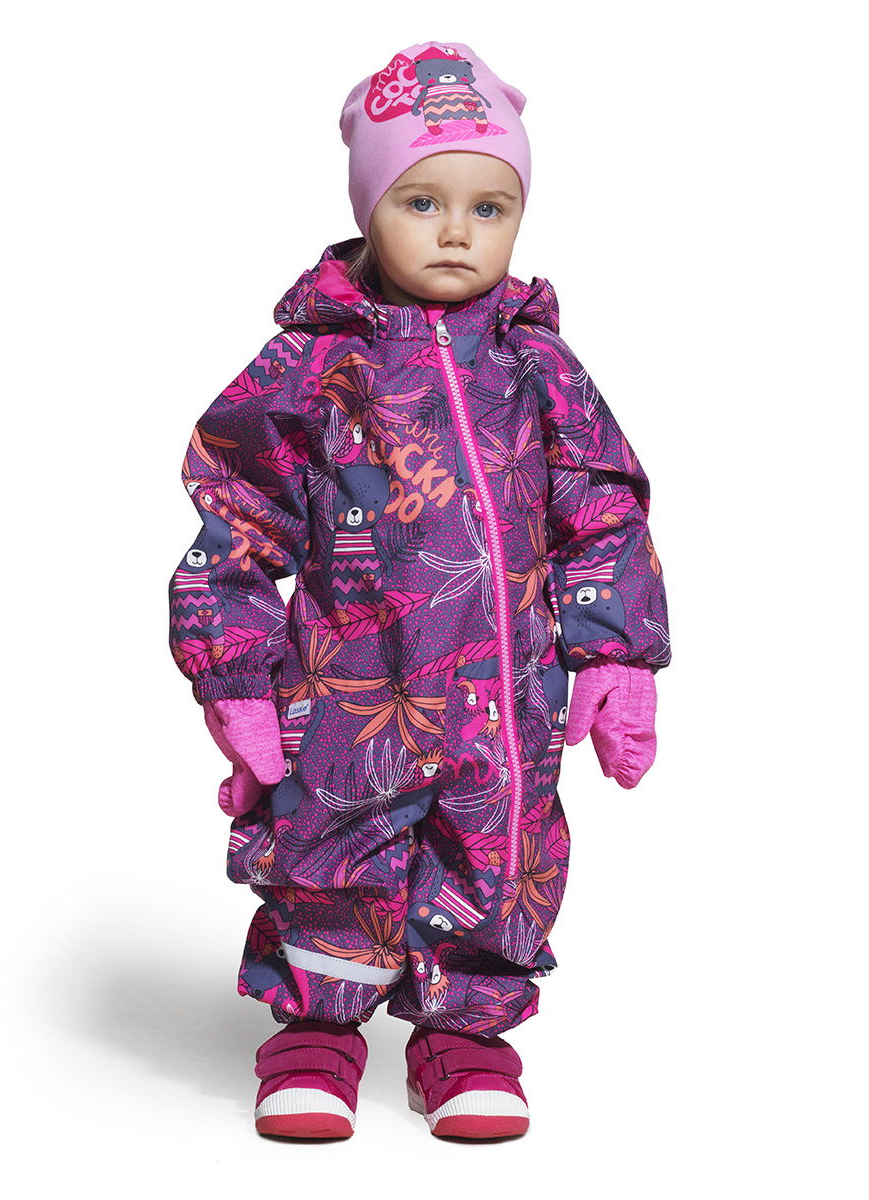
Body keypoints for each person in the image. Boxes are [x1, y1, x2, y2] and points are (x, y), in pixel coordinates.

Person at [168, 41, 670, 1140]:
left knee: (497, 855)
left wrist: (616, 651)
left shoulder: (538, 365)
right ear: (369, 207)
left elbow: (602, 507)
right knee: (331, 852)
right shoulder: (311, 367)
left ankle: (465, 1036)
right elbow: (236, 519)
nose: (456, 231)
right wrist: (234, 675)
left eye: (490, 207)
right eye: (422, 201)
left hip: (505, 698)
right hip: (351, 689)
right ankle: (315, 1033)